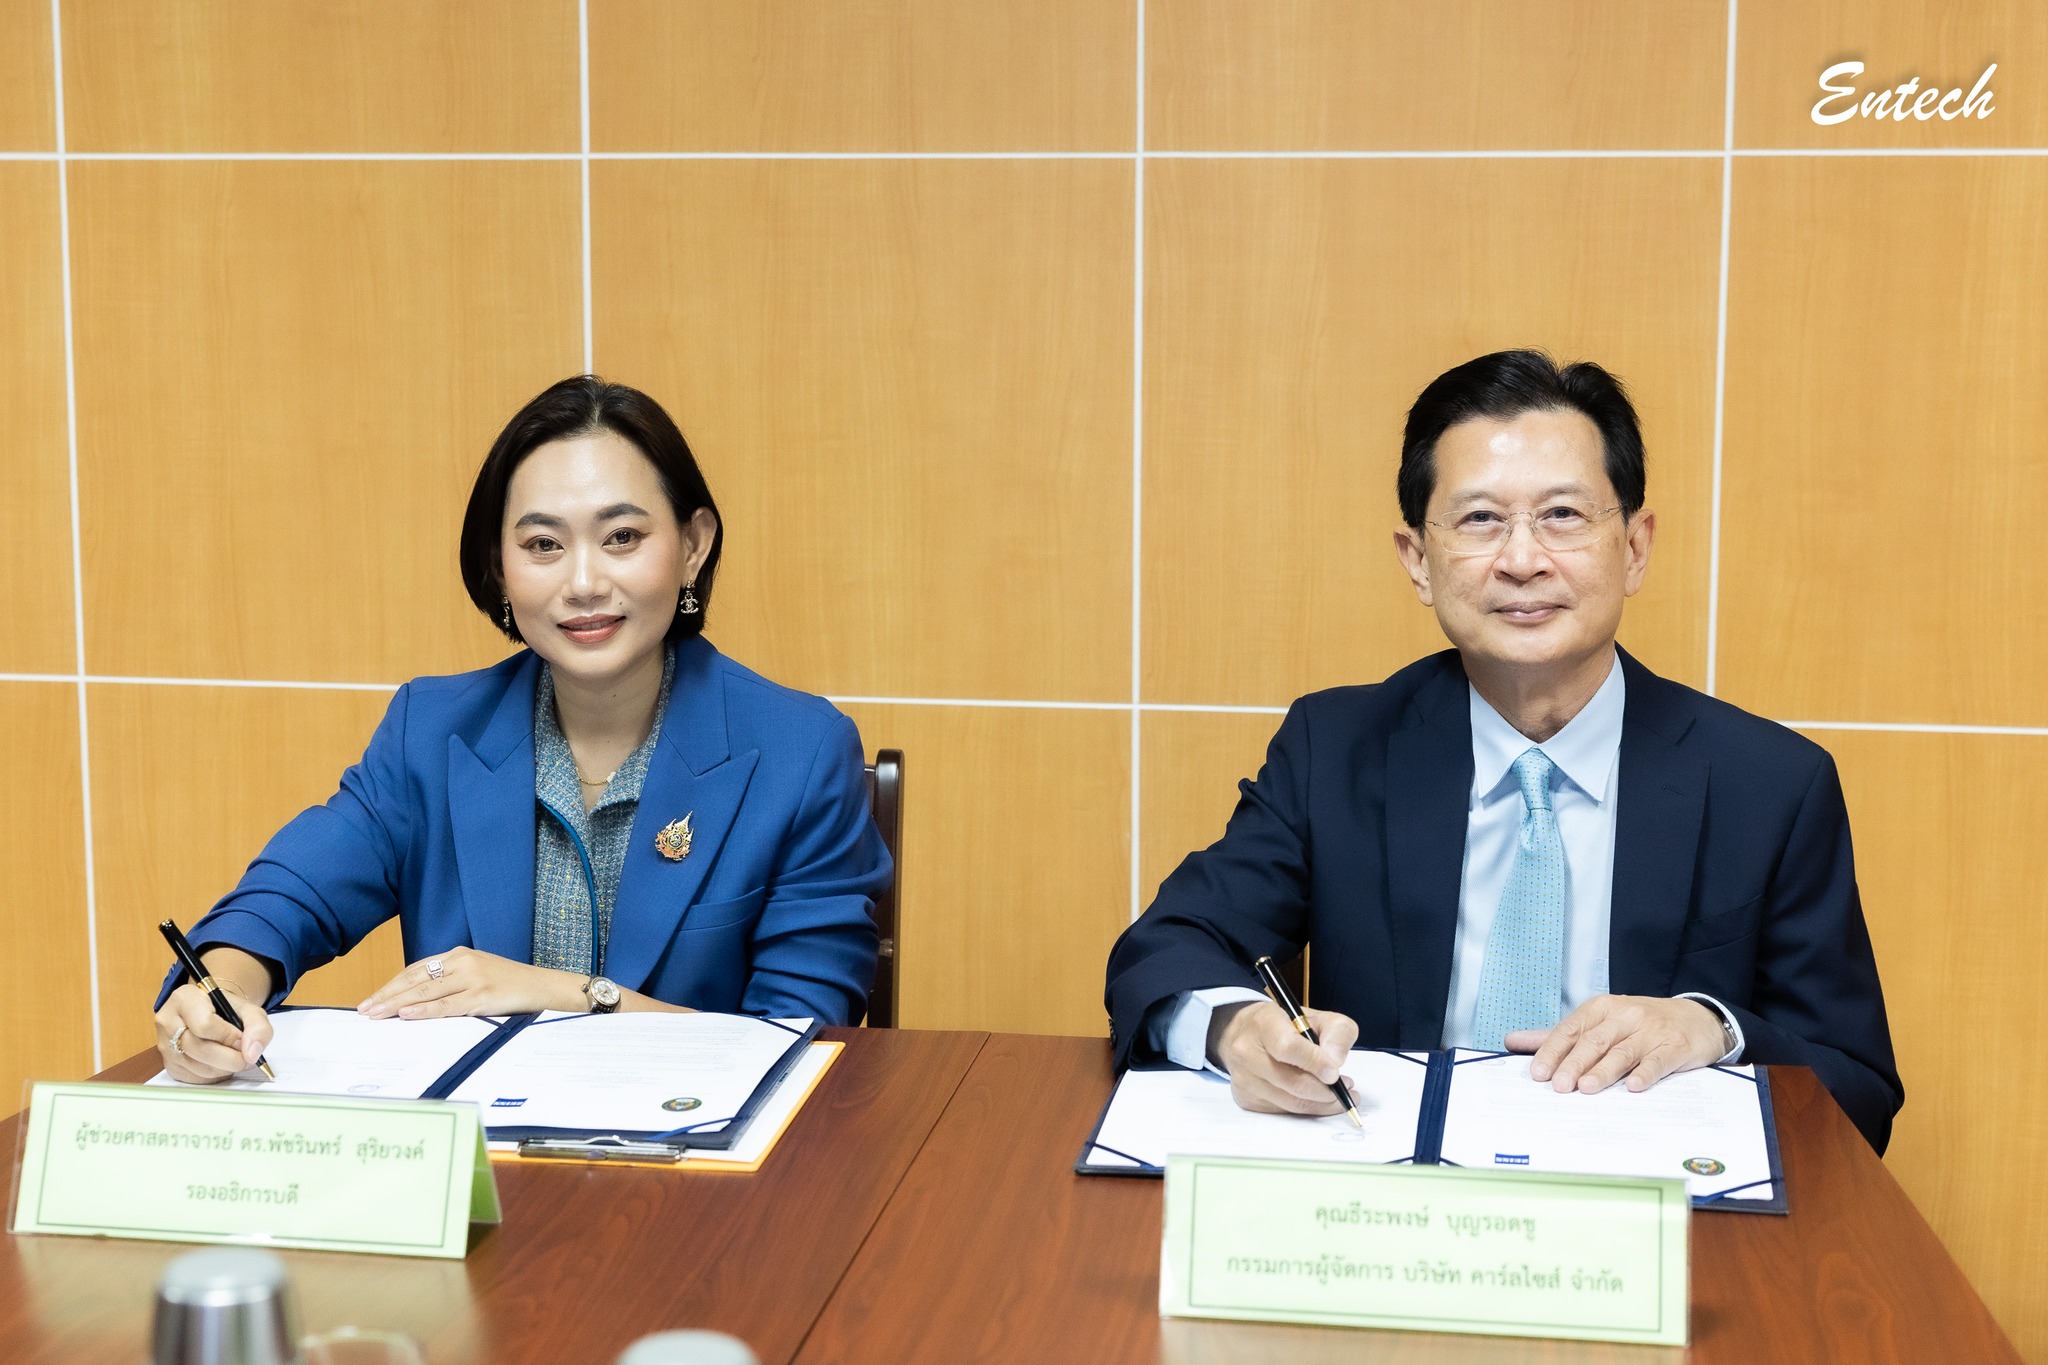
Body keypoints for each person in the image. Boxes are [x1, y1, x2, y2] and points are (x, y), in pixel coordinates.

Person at [1104, 350, 1902, 1152]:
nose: (1523, 560)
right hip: (1394, 1196)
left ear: (1634, 547)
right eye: (1481, 519)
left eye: (1564, 515)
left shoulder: (1769, 785)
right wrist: (1236, 1029)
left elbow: (1859, 1089)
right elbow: (1165, 950)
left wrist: (1716, 1029)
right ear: (1418, 560)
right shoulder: (1336, 750)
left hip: (1643, 1203)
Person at [154, 376, 891, 1082]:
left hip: (697, 1160)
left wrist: (567, 995)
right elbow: (288, 897)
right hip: (485, 1154)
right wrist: (219, 992)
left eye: (622, 536)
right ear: (499, 567)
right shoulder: (431, 730)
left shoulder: (801, 753)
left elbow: (802, 1045)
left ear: (693, 545)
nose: (583, 583)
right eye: (543, 545)